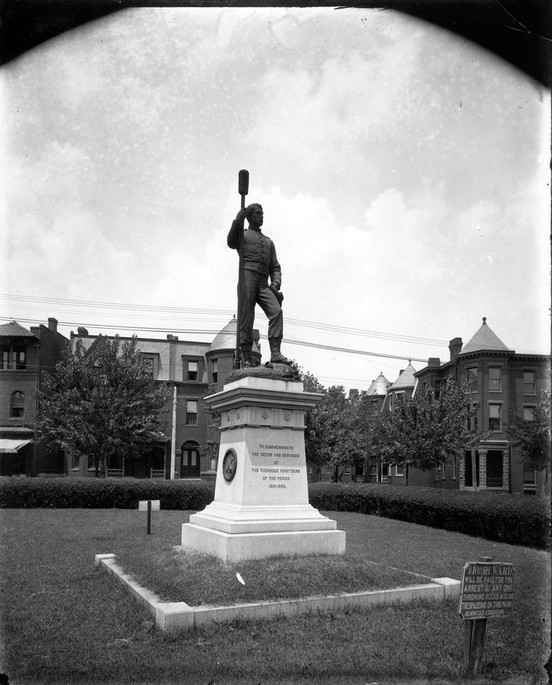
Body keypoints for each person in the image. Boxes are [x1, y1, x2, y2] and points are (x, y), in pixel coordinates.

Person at [227, 203, 290, 367]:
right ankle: (247, 357)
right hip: (247, 278)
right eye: (257, 213)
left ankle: (275, 353)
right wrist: (237, 221)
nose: (261, 216)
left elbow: (275, 266)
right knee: (246, 317)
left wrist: (275, 282)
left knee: (276, 312)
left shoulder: (269, 242)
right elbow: (231, 242)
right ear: (249, 216)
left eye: (262, 213)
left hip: (263, 283)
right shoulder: (243, 235)